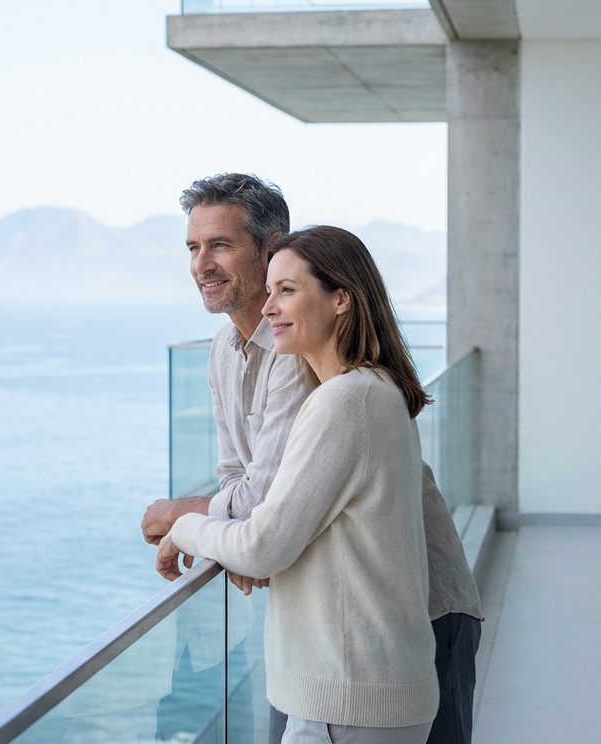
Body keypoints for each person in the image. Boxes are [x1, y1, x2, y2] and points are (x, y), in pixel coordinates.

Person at [141, 174, 483, 744]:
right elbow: (241, 482)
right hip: (333, 634)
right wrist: (238, 523)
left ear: (272, 247)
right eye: (193, 247)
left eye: (220, 245)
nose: (202, 264)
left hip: (408, 618)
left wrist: (183, 519)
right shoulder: (227, 354)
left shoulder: (318, 371)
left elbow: (265, 516)